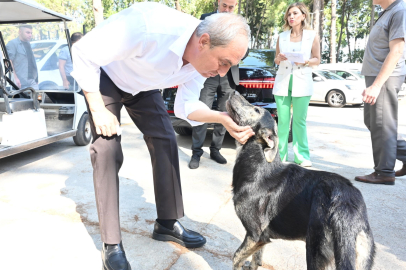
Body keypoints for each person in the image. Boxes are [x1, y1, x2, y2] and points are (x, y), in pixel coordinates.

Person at [71, 3, 253, 270]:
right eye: (223, 63)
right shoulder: (149, 25)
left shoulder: (199, 63)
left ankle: (167, 223)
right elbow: (83, 51)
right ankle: (111, 245)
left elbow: (185, 106)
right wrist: (97, 109)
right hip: (107, 76)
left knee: (166, 138)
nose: (223, 72)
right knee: (107, 148)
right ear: (204, 41)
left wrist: (221, 117)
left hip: (143, 86)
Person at [355, 0, 406, 185]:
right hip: (376, 75)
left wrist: (376, 85)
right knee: (374, 123)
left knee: (382, 125)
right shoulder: (387, 12)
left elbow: (397, 50)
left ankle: (384, 172)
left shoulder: (399, 11)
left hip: (384, 77)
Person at [189, 0, 241, 169]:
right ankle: (196, 152)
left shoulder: (239, 23)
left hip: (228, 75)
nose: (227, 10)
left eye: (231, 7)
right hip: (207, 75)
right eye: (224, 5)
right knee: (202, 111)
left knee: (224, 113)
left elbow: (244, 49)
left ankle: (216, 150)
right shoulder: (206, 19)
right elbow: (198, 44)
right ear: (218, 2)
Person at [273, 2, 320, 167]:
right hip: (282, 81)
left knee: (299, 120)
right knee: (283, 121)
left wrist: (306, 61)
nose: (291, 17)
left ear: (303, 16)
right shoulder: (282, 36)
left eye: (295, 14)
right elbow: (276, 59)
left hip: (303, 80)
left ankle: (302, 157)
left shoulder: (312, 35)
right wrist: (279, 58)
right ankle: (280, 155)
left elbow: (317, 59)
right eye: (289, 14)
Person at [6, 25, 38, 95]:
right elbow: (8, 61)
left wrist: (36, 79)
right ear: (20, 32)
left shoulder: (28, 44)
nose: (30, 35)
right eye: (27, 32)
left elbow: (31, 62)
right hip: (20, 82)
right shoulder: (12, 43)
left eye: (31, 33)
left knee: (36, 102)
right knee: (23, 103)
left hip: (32, 80)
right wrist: (15, 78)